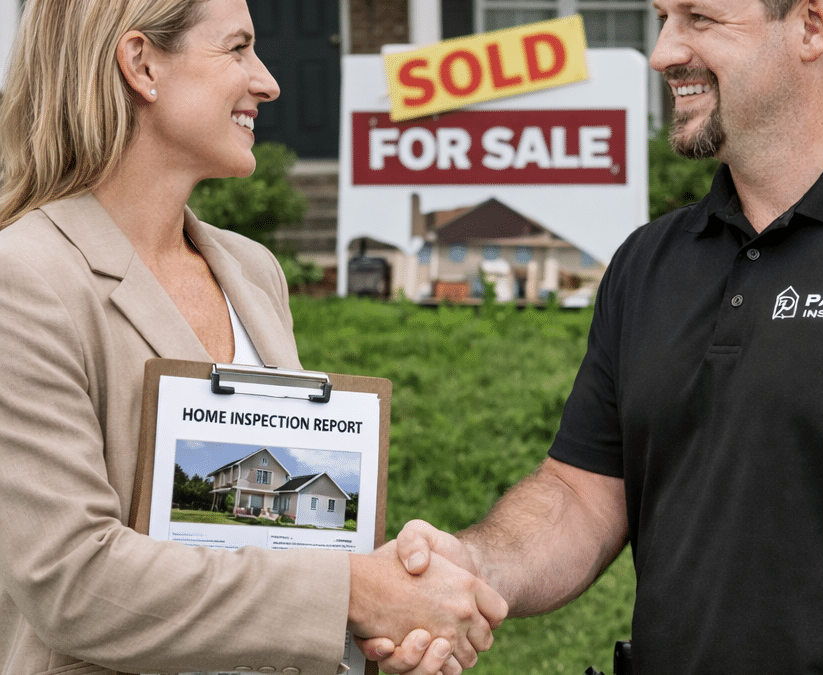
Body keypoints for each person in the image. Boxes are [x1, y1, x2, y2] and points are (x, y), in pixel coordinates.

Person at [363, 0, 823, 673]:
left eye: (700, 18)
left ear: (813, 24)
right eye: (663, 18)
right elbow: (583, 497)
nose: (663, 53)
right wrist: (472, 564)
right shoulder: (648, 262)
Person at [0, 2, 506, 675]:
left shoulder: (252, 270)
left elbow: (281, 549)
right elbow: (74, 580)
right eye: (237, 48)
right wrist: (354, 593)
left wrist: (388, 589)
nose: (268, 82)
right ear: (141, 65)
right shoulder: (24, 277)